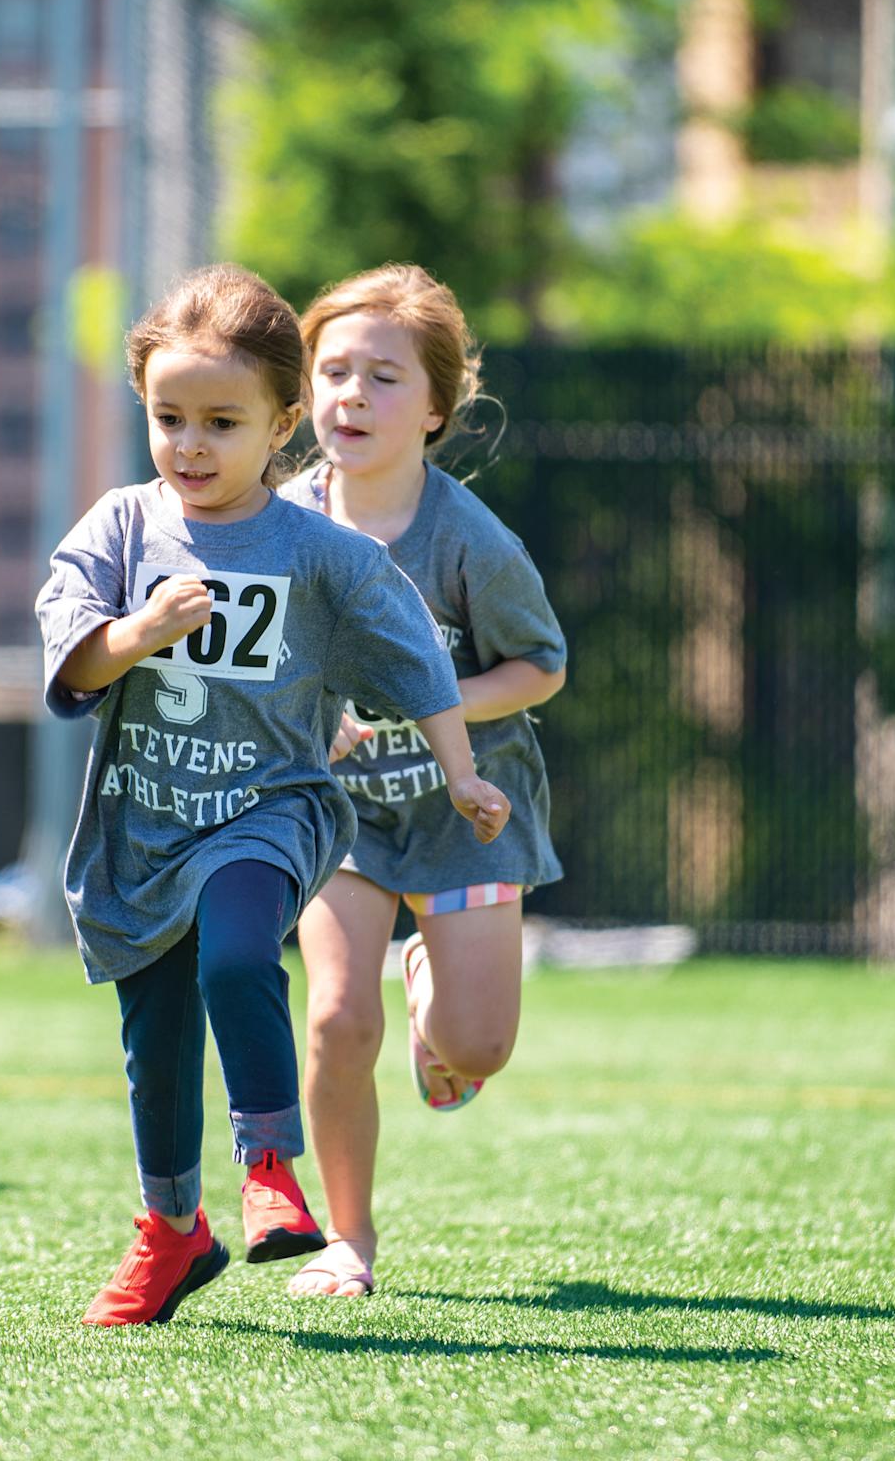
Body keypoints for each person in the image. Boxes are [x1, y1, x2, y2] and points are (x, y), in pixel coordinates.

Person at [36, 264, 510, 1328]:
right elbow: (73, 658)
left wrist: (460, 769)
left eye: (222, 422)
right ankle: (171, 1231)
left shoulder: (318, 550)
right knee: (156, 1047)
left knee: (239, 953)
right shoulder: (120, 527)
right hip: (143, 828)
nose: (191, 446)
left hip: (269, 810)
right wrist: (138, 632)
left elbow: (412, 654)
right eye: (169, 418)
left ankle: (269, 1167)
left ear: (281, 425)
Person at [273, 265, 564, 1299]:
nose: (352, 395)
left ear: (436, 408)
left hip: (462, 809)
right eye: (333, 372)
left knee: (476, 1048)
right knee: (335, 1021)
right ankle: (348, 1240)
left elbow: (541, 666)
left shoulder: (473, 542)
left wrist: (422, 705)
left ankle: (429, 981)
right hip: (339, 815)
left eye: (384, 377)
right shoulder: (276, 524)